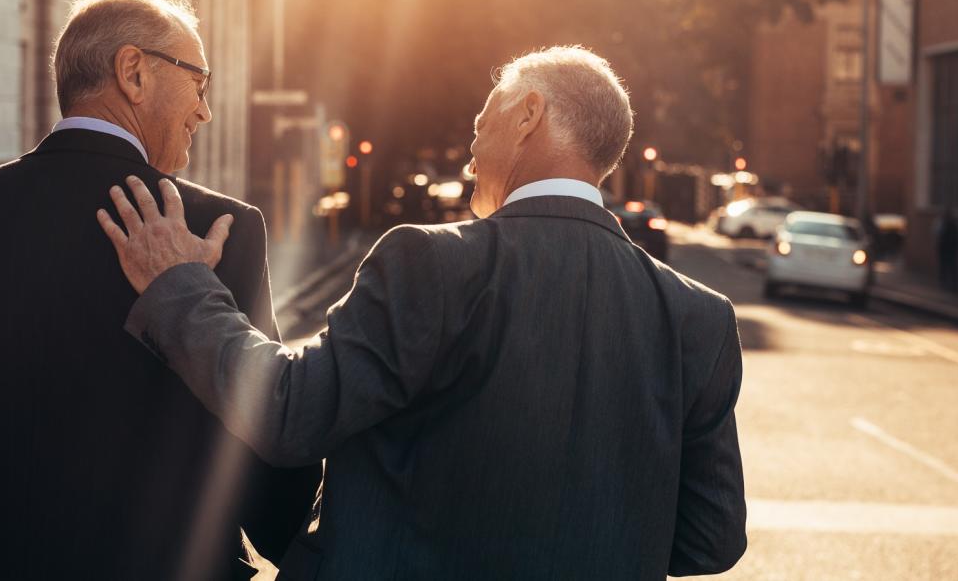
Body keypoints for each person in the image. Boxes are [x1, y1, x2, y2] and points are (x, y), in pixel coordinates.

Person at [100, 46, 747, 579]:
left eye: (482, 120)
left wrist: (182, 286)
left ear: (529, 115)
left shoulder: (430, 263)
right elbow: (711, 538)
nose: (471, 145)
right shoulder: (699, 318)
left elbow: (291, 411)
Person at [0, 0, 320, 579]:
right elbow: (261, 441)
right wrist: (318, 548)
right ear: (133, 72)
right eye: (198, 82)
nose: (204, 111)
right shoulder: (216, 228)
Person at [936, 206, 958, 292]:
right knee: (951, 266)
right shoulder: (953, 223)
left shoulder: (942, 223)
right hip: (949, 248)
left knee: (946, 266)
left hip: (946, 247)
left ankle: (947, 283)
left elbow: (937, 233)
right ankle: (952, 284)